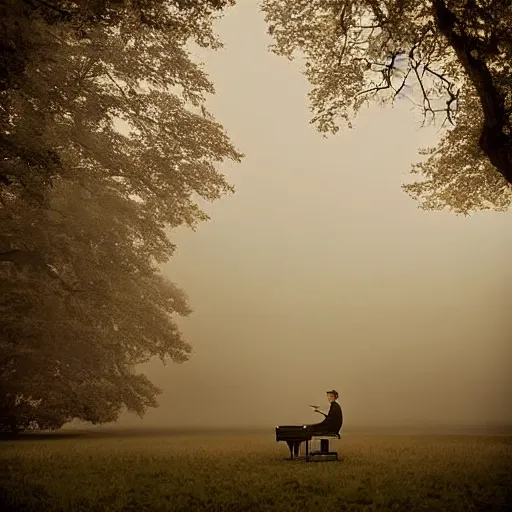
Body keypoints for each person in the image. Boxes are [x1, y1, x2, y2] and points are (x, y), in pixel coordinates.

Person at [285, 390, 343, 458]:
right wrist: (319, 412)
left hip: (330, 429)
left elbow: (330, 421)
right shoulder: (335, 406)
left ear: (333, 397)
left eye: (329, 396)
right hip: (331, 427)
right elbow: (330, 419)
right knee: (310, 427)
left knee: (308, 428)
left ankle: (295, 454)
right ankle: (295, 453)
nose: (328, 398)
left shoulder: (334, 406)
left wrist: (317, 425)